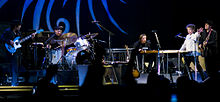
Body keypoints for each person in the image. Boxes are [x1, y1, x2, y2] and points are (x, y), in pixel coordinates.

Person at [1, 20, 35, 86]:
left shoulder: (19, 33)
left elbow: (23, 42)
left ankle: (15, 82)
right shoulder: (8, 31)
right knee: (14, 68)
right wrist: (9, 41)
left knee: (18, 68)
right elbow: (2, 38)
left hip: (18, 52)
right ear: (15, 26)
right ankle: (14, 84)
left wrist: (31, 38)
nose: (20, 27)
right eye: (19, 26)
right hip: (11, 52)